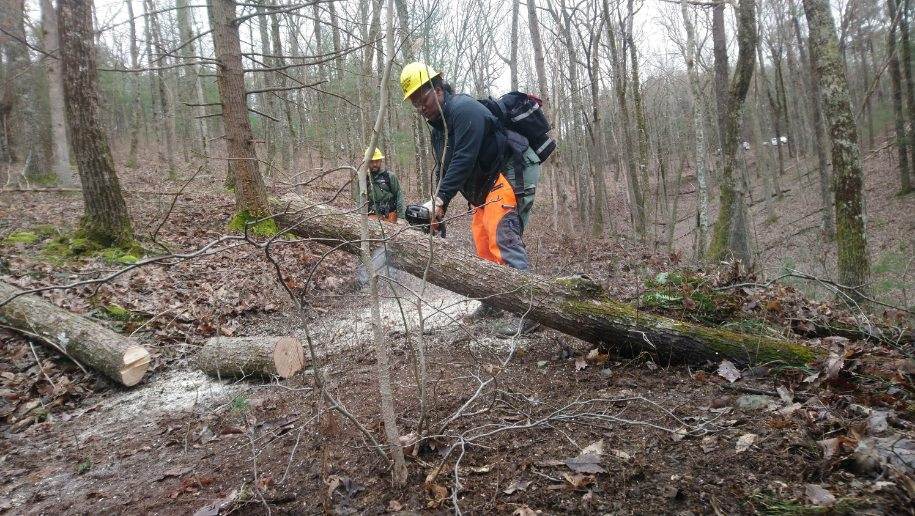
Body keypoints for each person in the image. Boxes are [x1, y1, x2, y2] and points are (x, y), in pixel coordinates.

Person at [400, 62, 539, 336]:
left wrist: (440, 200)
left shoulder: (464, 110)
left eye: (423, 98)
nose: (420, 107)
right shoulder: (439, 127)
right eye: (415, 103)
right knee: (484, 249)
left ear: (438, 89)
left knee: (503, 242)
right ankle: (494, 304)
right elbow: (445, 166)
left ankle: (529, 311)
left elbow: (464, 158)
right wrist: (438, 208)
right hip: (483, 190)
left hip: (506, 176)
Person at [354, 147, 405, 222]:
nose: (375, 164)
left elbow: (399, 195)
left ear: (381, 161)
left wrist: (401, 217)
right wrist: (360, 216)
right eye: (372, 161)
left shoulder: (390, 176)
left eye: (377, 161)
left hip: (391, 215)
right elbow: (360, 199)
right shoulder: (363, 179)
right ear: (367, 162)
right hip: (372, 216)